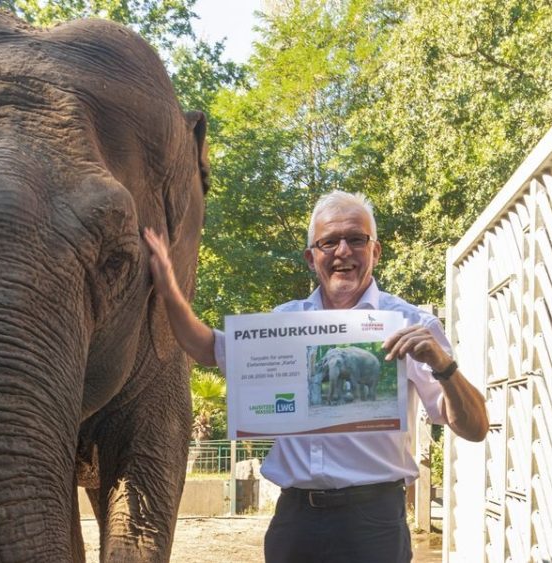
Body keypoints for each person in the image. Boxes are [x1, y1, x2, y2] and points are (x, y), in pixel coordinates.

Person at [143, 190, 489, 563]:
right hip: (297, 521)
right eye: (329, 242)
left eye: (356, 239)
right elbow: (207, 348)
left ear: (375, 251)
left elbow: (474, 428)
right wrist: (168, 288)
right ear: (312, 257)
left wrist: (444, 366)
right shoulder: (284, 322)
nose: (343, 251)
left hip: (374, 523)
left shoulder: (412, 325)